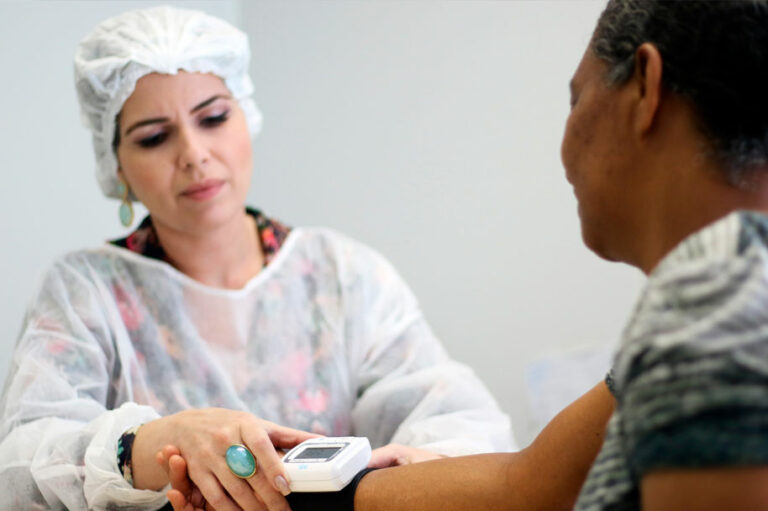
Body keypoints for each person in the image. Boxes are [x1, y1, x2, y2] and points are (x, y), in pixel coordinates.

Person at [160, 0, 768, 509]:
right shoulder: (710, 301)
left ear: (644, 87)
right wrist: (296, 489)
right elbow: (528, 485)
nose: (193, 155)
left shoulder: (721, 288)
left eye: (575, 99)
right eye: (156, 135)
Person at [0, 5, 516, 510]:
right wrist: (157, 441)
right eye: (155, 137)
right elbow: (21, 469)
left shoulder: (342, 276)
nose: (194, 154)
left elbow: (468, 428)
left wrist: (404, 473)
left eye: (214, 117)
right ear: (117, 169)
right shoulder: (84, 292)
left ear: (247, 116)